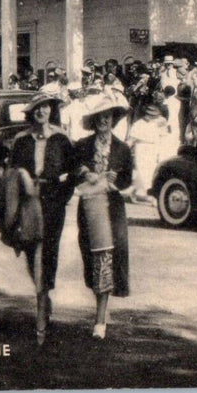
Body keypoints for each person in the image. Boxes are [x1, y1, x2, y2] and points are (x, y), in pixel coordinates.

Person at [2, 93, 75, 345]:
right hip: (29, 204)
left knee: (48, 252)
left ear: (51, 110)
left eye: (45, 107)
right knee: (32, 251)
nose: (42, 112)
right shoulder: (22, 140)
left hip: (53, 203)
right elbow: (11, 174)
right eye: (37, 108)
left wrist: (63, 196)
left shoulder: (62, 138)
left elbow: (72, 172)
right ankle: (43, 298)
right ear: (30, 113)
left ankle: (42, 303)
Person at [72, 95, 132, 340]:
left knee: (107, 257)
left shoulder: (122, 148)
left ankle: (100, 318)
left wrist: (117, 180)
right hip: (90, 206)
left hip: (112, 207)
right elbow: (73, 167)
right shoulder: (83, 146)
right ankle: (100, 314)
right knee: (94, 257)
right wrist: (84, 173)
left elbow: (128, 178)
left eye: (108, 116)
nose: (104, 120)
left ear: (113, 119)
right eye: (100, 116)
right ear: (94, 120)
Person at [126, 102, 167, 204]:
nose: (151, 117)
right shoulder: (138, 124)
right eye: (150, 115)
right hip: (141, 148)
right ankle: (142, 193)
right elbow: (131, 140)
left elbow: (163, 139)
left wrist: (161, 152)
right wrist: (124, 149)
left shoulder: (160, 124)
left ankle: (146, 192)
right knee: (142, 170)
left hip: (154, 148)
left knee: (152, 170)